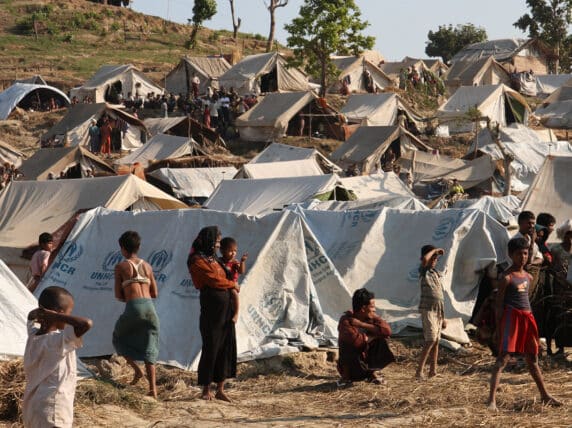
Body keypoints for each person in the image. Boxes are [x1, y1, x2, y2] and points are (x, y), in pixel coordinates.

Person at [487, 238, 562, 411]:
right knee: (503, 358)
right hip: (511, 319)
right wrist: (498, 330)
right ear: (510, 255)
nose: (523, 256)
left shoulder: (528, 276)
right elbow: (498, 306)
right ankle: (491, 400)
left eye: (526, 253)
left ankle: (545, 395)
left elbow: (526, 300)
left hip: (527, 319)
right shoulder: (506, 277)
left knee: (532, 359)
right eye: (519, 253)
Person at [23, 286, 92, 428]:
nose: (68, 319)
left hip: (33, 410)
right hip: (53, 411)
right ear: (59, 313)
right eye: (69, 313)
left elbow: (30, 316)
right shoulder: (59, 341)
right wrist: (54, 316)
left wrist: (43, 313)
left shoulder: (33, 335)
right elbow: (86, 323)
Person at [187, 226, 238, 402]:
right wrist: (231, 285)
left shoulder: (215, 259)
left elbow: (228, 275)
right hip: (211, 309)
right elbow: (213, 280)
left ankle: (220, 389)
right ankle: (206, 389)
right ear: (208, 240)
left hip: (226, 309)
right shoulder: (196, 260)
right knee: (211, 346)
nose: (217, 245)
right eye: (216, 241)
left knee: (225, 347)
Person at [113, 231, 160, 399]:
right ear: (139, 247)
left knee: (118, 338)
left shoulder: (120, 267)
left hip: (133, 307)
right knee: (150, 347)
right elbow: (155, 293)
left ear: (122, 248)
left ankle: (138, 370)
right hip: (150, 308)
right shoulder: (148, 266)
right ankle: (153, 389)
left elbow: (118, 295)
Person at [337, 288, 394, 385]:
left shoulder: (370, 318)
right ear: (363, 308)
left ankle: (371, 374)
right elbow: (356, 342)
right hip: (353, 368)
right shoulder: (346, 321)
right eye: (372, 307)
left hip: (365, 365)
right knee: (348, 345)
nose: (374, 310)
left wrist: (363, 324)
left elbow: (387, 331)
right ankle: (345, 378)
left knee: (381, 339)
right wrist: (373, 336)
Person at [416, 245, 447, 380]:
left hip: (438, 310)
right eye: (432, 257)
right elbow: (424, 260)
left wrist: (443, 317)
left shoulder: (436, 273)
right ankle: (419, 371)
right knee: (430, 339)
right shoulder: (424, 271)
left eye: (436, 258)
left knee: (436, 341)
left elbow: (440, 295)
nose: (434, 260)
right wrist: (434, 250)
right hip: (428, 309)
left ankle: (433, 371)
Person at [219, 237, 248, 324]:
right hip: (222, 284)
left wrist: (242, 262)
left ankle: (236, 314)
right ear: (222, 251)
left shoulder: (234, 262)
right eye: (230, 251)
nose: (233, 253)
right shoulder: (219, 261)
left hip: (232, 285)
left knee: (234, 293)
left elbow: (241, 271)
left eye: (235, 251)